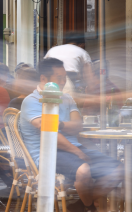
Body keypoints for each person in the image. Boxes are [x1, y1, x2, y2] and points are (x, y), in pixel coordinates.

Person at [20, 58, 123, 211]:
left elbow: (78, 125)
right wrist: (76, 151)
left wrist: (60, 125)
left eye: (64, 77)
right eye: (59, 78)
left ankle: (81, 206)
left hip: (75, 148)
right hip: (47, 154)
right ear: (43, 79)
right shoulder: (32, 101)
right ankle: (89, 207)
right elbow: (50, 135)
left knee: (119, 169)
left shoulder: (67, 98)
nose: (63, 82)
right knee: (83, 170)